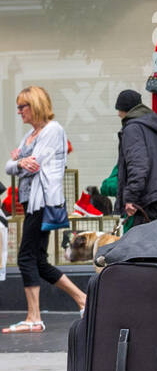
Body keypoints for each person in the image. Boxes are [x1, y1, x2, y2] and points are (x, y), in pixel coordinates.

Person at [3, 86, 86, 332]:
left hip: (42, 203)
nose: (18, 112)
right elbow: (11, 166)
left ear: (35, 105)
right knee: (38, 260)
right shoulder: (30, 135)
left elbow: (34, 164)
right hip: (31, 203)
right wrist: (18, 161)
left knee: (26, 257)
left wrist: (18, 161)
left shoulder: (52, 130)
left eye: (22, 106)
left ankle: (34, 317)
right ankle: (82, 299)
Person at [114, 89, 157, 228]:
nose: (118, 114)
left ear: (124, 109)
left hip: (149, 200)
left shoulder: (133, 129)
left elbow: (138, 165)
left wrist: (131, 197)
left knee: (145, 245)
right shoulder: (155, 125)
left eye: (119, 111)